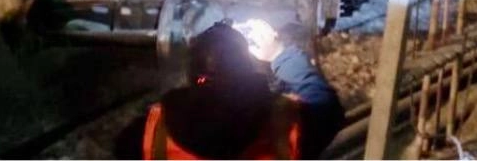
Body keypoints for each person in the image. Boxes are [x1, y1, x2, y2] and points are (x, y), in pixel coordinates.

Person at [133, 20, 345, 159]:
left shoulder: (152, 131)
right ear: (248, 70)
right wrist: (279, 54)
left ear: (191, 74)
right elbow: (324, 104)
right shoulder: (283, 122)